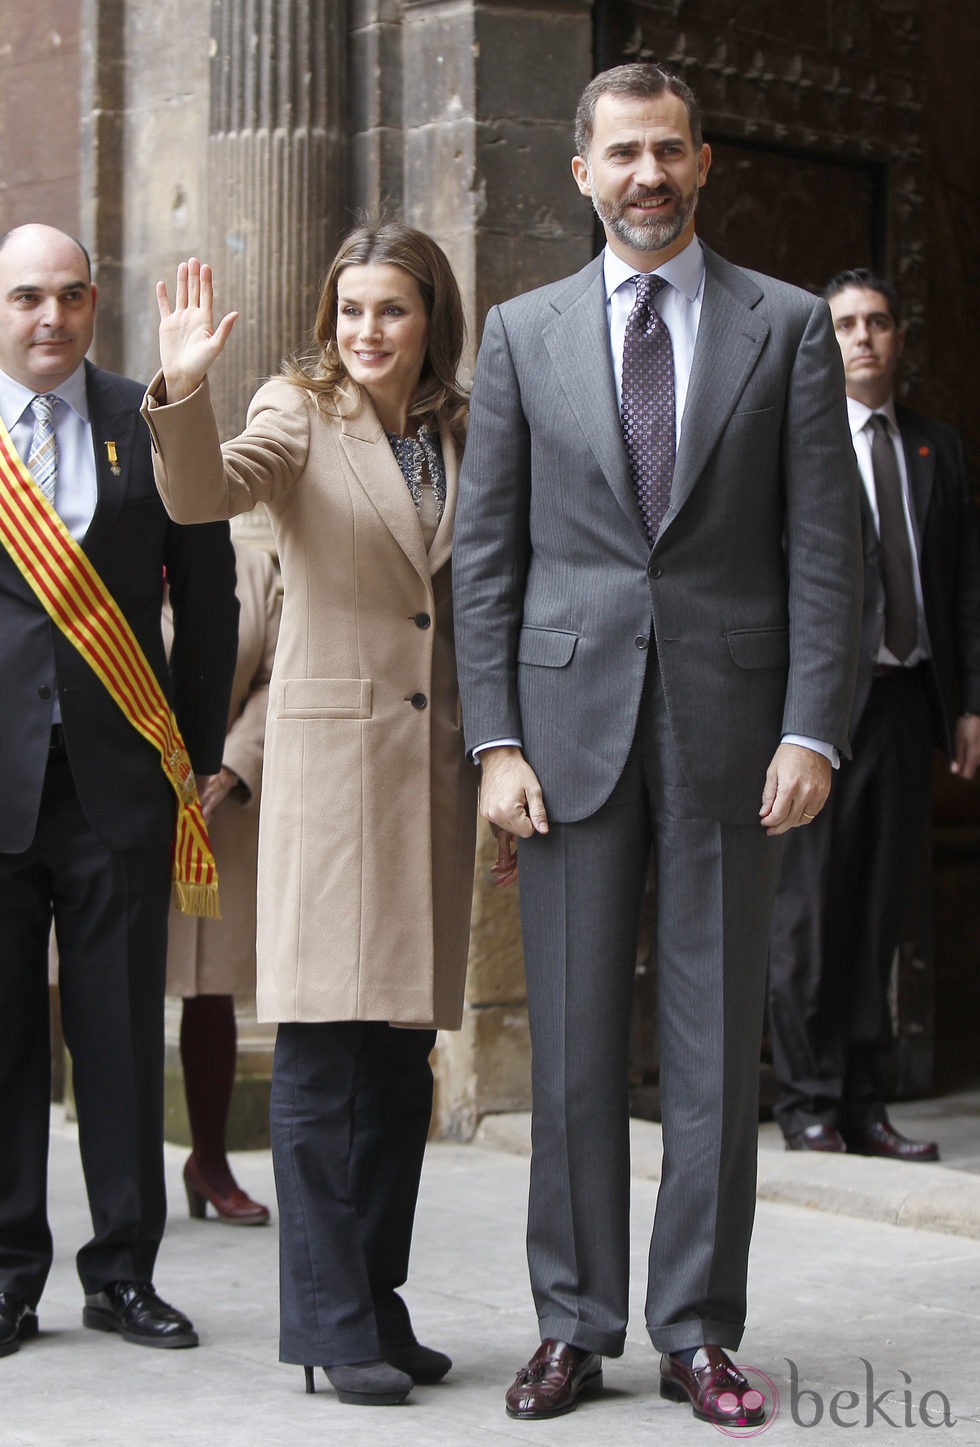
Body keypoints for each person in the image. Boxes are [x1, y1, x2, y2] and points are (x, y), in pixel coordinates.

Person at [451, 64, 862, 1426]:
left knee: (710, 1044)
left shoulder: (788, 327)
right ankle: (573, 1323)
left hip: (736, 737)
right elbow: (490, 560)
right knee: (569, 1053)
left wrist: (814, 721)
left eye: (669, 151)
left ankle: (696, 1327)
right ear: (581, 170)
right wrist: (495, 738)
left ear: (704, 164)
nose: (647, 175)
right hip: (564, 742)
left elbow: (826, 547)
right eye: (622, 152)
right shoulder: (520, 333)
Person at [140, 223, 478, 1406]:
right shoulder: (297, 407)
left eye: (391, 310)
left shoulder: (457, 429)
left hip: (429, 775)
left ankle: (375, 1304)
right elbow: (205, 488)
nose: (367, 333)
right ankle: (327, 1327)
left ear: (430, 315)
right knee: (326, 1056)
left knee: (399, 1060)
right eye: (350, 311)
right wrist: (185, 388)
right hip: (332, 777)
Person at [0, 224, 238, 1357]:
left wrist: (189, 752)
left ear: (97, 304)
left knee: (118, 1039)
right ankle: (7, 1272)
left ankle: (123, 1271)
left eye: (73, 296)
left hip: (120, 787)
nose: (51, 317)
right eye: (27, 297)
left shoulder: (146, 421)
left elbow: (210, 590)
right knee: (1, 1044)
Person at [767, 269, 980, 1160]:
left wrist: (967, 704)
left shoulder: (938, 448)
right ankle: (806, 1101)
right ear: (825, 339)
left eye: (878, 322)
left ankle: (864, 1102)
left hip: (902, 704)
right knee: (809, 915)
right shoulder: (794, 442)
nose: (862, 336)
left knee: (880, 914)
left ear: (900, 337)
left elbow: (963, 587)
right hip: (815, 711)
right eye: (845, 323)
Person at [163, 537, 280, 1225]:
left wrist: (233, 762)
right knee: (107, 989)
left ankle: (208, 1159)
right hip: (121, 799)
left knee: (212, 985)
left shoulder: (254, 564)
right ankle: (116, 1181)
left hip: (216, 805)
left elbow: (277, 670)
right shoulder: (91, 536)